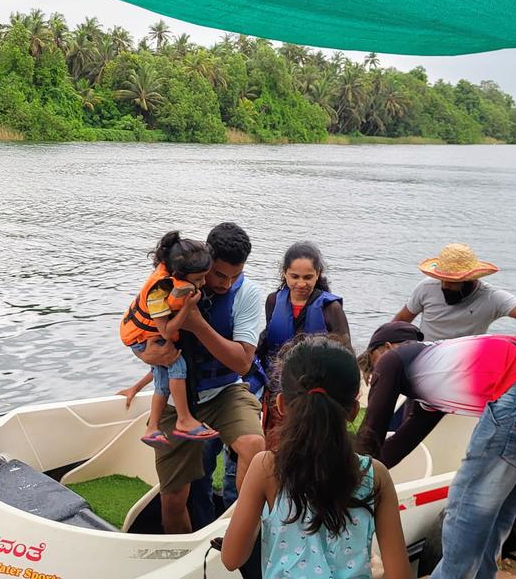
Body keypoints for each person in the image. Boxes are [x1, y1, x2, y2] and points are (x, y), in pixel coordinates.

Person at [355, 322, 516, 578]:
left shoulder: (392, 358)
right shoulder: (437, 374)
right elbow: (395, 447)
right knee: (503, 503)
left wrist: (344, 479)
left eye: (373, 364)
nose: (375, 375)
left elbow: (370, 435)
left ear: (387, 347)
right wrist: (371, 472)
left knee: (467, 504)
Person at [119, 222, 267, 535]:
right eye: (219, 275)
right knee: (173, 501)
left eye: (235, 276)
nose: (226, 284)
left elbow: (242, 363)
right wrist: (144, 357)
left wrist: (199, 324)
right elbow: (143, 335)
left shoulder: (248, 294)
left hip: (225, 392)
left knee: (254, 445)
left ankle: (238, 535)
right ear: (205, 263)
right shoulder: (170, 286)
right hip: (178, 400)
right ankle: (186, 551)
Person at [221, 336, 411, 579]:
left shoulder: (266, 467)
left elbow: (231, 558)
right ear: (353, 411)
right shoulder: (375, 475)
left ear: (281, 405)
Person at [120, 231, 217, 447]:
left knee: (163, 382)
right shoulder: (158, 291)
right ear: (179, 274)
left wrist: (136, 387)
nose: (202, 283)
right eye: (198, 279)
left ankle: (152, 428)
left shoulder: (173, 280)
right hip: (143, 339)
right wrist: (188, 308)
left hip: (145, 337)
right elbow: (165, 332)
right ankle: (184, 420)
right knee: (177, 365)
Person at [258, 242, 350, 447]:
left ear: (318, 274)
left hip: (317, 392)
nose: (301, 283)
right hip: (277, 390)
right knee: (275, 445)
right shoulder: (273, 301)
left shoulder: (330, 308)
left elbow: (346, 354)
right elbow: (266, 345)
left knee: (311, 444)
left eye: (308, 277)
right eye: (295, 277)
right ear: (285, 274)